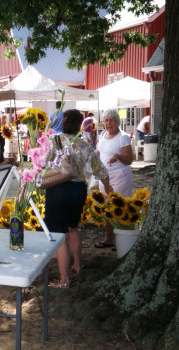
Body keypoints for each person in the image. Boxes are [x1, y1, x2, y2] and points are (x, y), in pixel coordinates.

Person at [43, 109, 112, 288]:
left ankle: (64, 280)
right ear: (80, 125)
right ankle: (77, 265)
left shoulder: (54, 140)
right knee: (73, 228)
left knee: (59, 235)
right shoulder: (85, 145)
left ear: (63, 122)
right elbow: (101, 170)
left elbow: (41, 164)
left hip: (57, 189)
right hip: (78, 190)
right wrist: (109, 188)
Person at [95, 109, 134, 249]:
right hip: (104, 177)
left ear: (118, 122)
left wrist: (118, 157)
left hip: (120, 177)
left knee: (120, 206)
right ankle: (109, 239)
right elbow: (99, 153)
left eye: (111, 120)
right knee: (106, 207)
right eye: (106, 120)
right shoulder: (102, 134)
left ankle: (123, 240)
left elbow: (129, 160)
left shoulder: (123, 137)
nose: (108, 123)